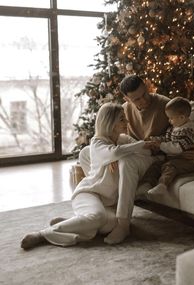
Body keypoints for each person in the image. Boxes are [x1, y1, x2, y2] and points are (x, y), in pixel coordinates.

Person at [79, 75, 194, 244]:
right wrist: (110, 158)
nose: (143, 100)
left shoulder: (164, 104)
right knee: (86, 153)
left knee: (127, 162)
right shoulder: (124, 110)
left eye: (144, 94)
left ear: (146, 86)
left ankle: (123, 223)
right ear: (127, 99)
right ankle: (107, 197)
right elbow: (119, 139)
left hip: (155, 157)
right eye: (136, 99)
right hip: (132, 150)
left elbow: (188, 127)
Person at [21, 102, 151, 250]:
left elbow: (146, 152)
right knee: (97, 217)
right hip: (90, 193)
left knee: (110, 226)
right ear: (110, 122)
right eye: (122, 119)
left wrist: (130, 151)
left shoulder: (124, 140)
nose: (127, 122)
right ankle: (43, 234)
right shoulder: (97, 142)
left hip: (108, 202)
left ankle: (74, 222)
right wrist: (138, 146)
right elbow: (115, 152)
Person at [140, 97, 194, 197]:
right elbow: (167, 138)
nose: (169, 121)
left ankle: (162, 185)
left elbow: (177, 148)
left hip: (189, 162)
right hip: (175, 159)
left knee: (169, 167)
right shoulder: (174, 128)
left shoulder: (188, 131)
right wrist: (156, 139)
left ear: (181, 117)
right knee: (156, 165)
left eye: (171, 118)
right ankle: (146, 185)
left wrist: (160, 145)